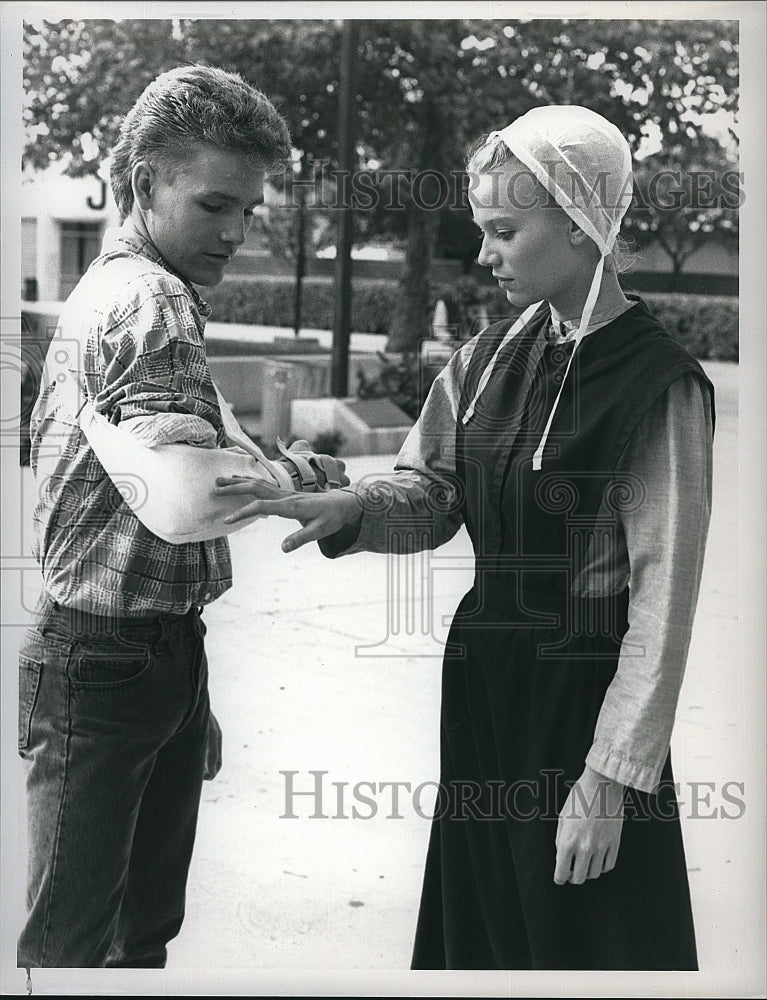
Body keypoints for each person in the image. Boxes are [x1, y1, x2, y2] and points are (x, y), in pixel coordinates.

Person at [216, 105, 715, 970]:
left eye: (503, 231)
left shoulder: (657, 386)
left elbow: (662, 605)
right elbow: (433, 491)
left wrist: (609, 780)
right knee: (484, 937)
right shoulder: (485, 359)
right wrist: (355, 509)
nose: (484, 254)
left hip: (579, 702)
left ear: (580, 221)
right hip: (485, 683)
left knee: (582, 943)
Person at [18, 64, 346, 969]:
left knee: (115, 936)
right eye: (214, 205)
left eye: (249, 209)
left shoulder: (113, 287)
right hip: (110, 656)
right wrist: (285, 476)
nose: (238, 232)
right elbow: (195, 496)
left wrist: (183, 691)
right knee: (83, 946)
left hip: (134, 648)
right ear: (140, 184)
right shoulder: (150, 298)